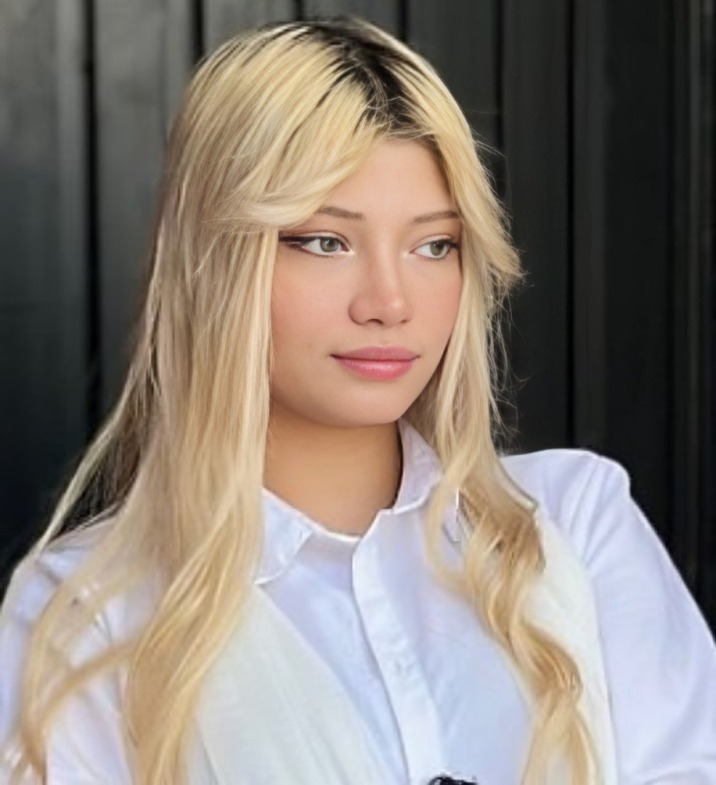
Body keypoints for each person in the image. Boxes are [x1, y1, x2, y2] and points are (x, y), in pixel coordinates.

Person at [0, 17, 714, 785]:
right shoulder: (85, 615)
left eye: (434, 245)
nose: (389, 302)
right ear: (216, 261)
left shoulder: (574, 523)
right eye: (325, 241)